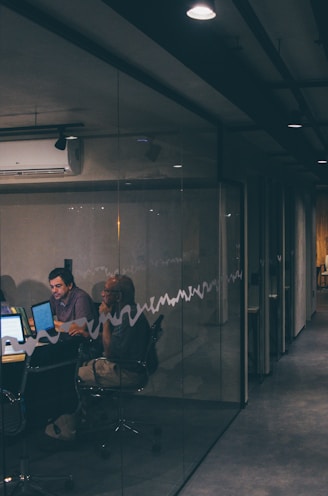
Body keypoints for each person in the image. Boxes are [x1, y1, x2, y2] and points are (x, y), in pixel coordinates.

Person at [78, 274, 151, 387]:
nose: (102, 294)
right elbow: (114, 340)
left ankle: (85, 404)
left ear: (118, 296)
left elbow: (110, 353)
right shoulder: (128, 311)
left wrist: (105, 319)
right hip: (122, 365)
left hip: (127, 372)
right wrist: (89, 335)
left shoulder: (128, 317)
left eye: (107, 291)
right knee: (81, 364)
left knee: (74, 374)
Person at [48, 267, 98, 338]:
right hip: (66, 338)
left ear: (70, 285)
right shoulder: (56, 297)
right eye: (52, 287)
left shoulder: (81, 297)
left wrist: (52, 323)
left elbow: (79, 328)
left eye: (58, 286)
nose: (54, 290)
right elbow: (41, 319)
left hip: (84, 342)